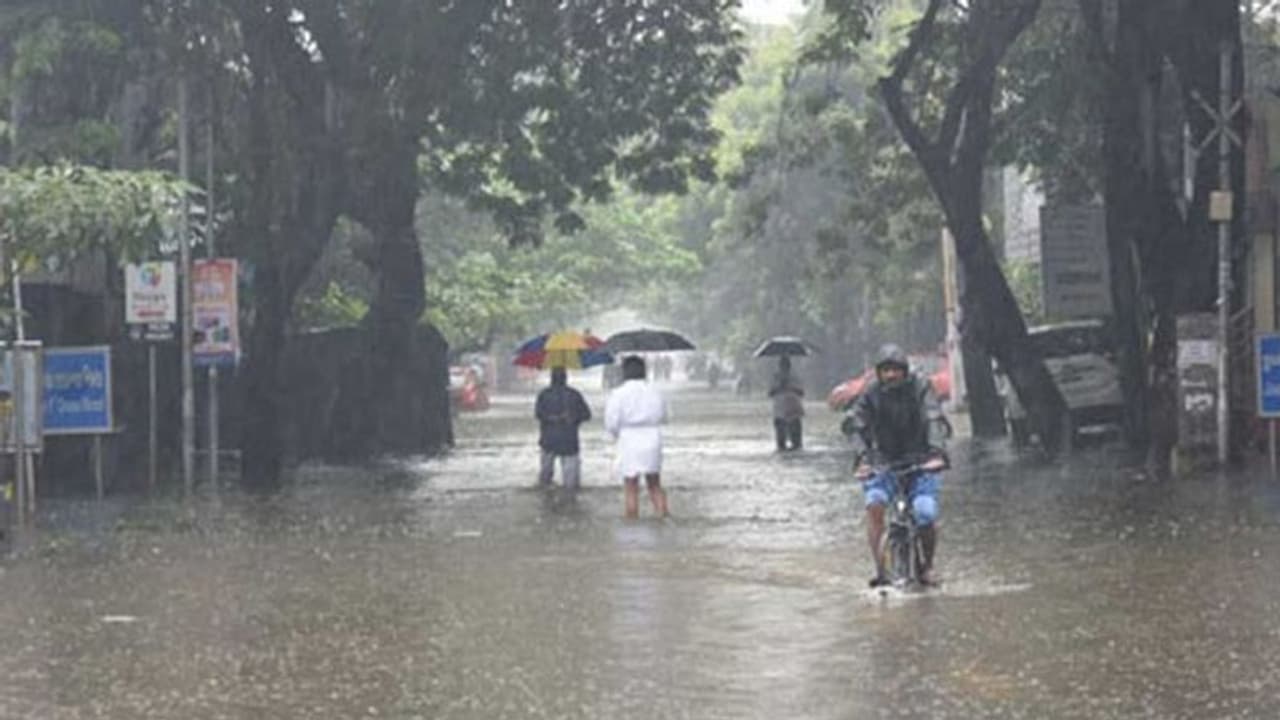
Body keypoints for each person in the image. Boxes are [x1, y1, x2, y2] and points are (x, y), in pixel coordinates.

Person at [841, 344, 949, 587]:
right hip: (882, 463)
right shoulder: (870, 392)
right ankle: (880, 568)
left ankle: (927, 567)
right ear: (879, 373)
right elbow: (853, 424)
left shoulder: (921, 387)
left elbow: (933, 417)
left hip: (921, 462)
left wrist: (937, 453)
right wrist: (863, 457)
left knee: (925, 512)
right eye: (885, 370)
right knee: (875, 503)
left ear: (905, 371)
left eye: (896, 370)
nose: (891, 375)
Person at [604, 355, 669, 518]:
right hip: (652, 438)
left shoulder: (618, 394)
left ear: (624, 372)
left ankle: (632, 523)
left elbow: (611, 422)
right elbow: (664, 416)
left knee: (631, 485)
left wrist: (617, 435)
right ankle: (663, 518)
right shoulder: (655, 391)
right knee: (654, 483)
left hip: (629, 440)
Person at [535, 367, 592, 490]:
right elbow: (587, 415)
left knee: (544, 479)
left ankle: (545, 500)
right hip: (569, 441)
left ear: (551, 379)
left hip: (548, 441)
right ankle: (570, 503)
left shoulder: (544, 394)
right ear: (566, 378)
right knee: (571, 485)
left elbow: (538, 415)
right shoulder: (574, 394)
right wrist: (573, 418)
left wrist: (552, 418)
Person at [768, 356, 804, 451]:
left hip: (793, 411)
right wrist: (780, 386)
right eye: (783, 365)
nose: (785, 367)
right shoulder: (775, 377)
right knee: (781, 444)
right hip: (779, 411)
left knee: (797, 444)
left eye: (786, 365)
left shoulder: (795, 376)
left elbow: (801, 392)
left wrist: (791, 387)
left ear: (789, 366)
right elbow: (770, 393)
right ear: (780, 366)